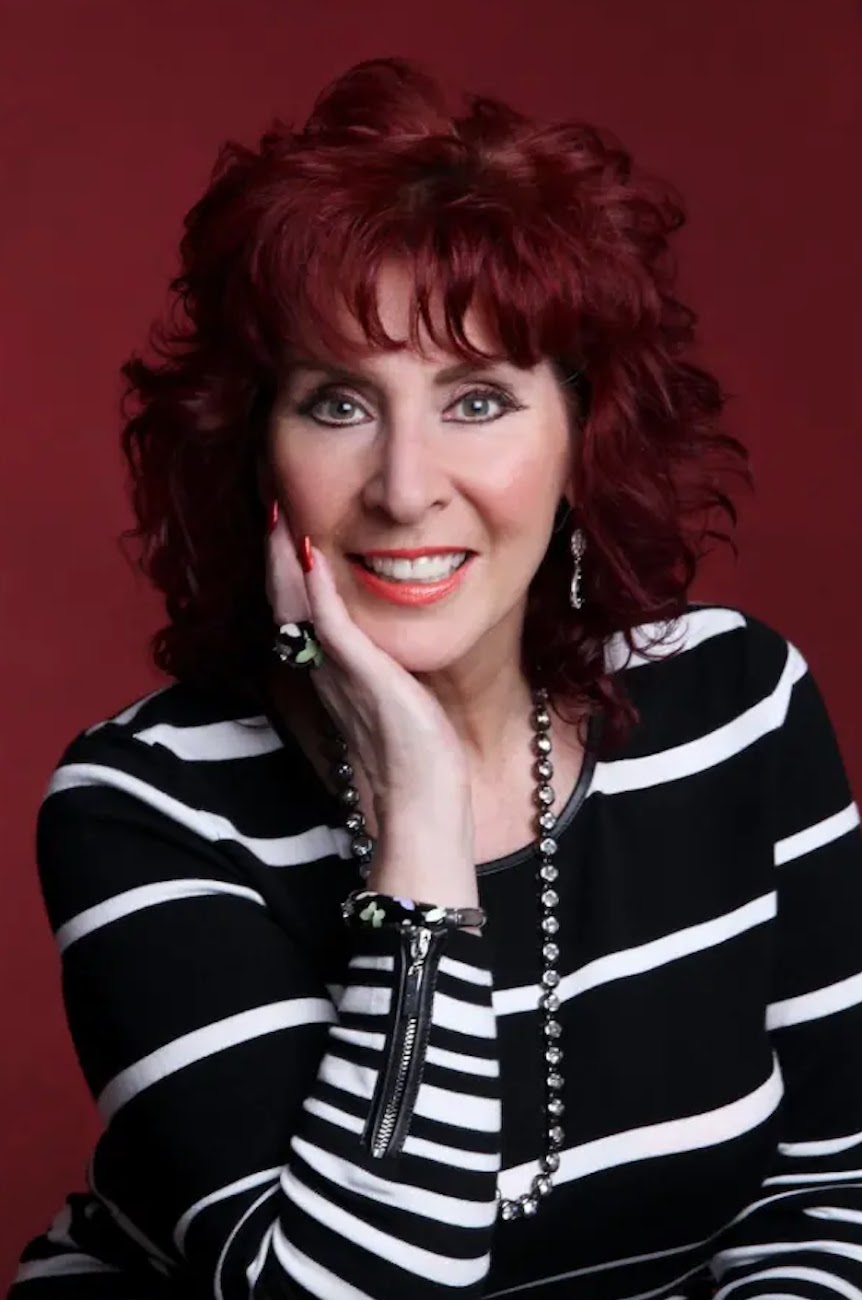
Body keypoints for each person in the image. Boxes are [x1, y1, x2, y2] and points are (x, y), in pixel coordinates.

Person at [10, 54, 862, 1300]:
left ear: (582, 441)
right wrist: (416, 795)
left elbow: (827, 1191)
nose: (405, 488)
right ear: (256, 455)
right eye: (338, 404)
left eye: (475, 401)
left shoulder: (735, 705)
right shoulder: (146, 805)